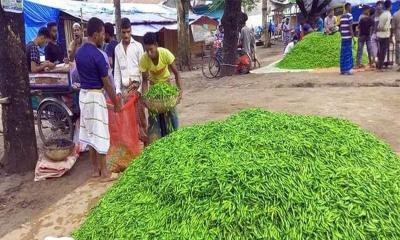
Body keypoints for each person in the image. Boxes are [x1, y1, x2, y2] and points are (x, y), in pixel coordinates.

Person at [75, 17, 121, 180]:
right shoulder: (98, 55)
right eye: (102, 33)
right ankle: (105, 173)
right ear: (95, 35)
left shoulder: (78, 53)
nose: (104, 36)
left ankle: (95, 170)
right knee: (101, 133)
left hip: (84, 96)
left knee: (90, 134)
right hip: (95, 96)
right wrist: (116, 103)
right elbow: (107, 83)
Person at [139, 32, 182, 143]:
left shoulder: (165, 53)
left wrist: (179, 92)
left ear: (156, 45)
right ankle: (156, 142)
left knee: (171, 116)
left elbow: (176, 73)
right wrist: (145, 98)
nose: (149, 53)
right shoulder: (144, 59)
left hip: (166, 88)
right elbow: (144, 81)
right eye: (146, 50)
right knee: (154, 119)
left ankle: (175, 139)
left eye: (151, 49)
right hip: (154, 90)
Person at [114, 18, 148, 144]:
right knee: (128, 121)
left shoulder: (138, 46)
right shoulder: (117, 49)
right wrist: (117, 90)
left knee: (141, 120)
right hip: (124, 91)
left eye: (128, 32)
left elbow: (143, 70)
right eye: (123, 32)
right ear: (120, 32)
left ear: (131, 30)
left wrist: (140, 90)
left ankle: (146, 147)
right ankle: (133, 149)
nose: (126, 35)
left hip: (137, 89)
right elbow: (116, 71)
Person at [376, 0, 392, 71]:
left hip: (380, 35)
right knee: (383, 51)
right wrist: (386, 28)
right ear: (390, 6)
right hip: (385, 35)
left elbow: (378, 26)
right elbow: (384, 27)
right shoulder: (388, 14)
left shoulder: (382, 14)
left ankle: (379, 65)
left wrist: (380, 29)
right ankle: (381, 67)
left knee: (380, 51)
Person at [339, 3, 354, 75]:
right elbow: (350, 27)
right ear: (348, 7)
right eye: (350, 7)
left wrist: (342, 35)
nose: (351, 8)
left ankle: (342, 69)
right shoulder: (350, 16)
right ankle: (347, 70)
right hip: (348, 37)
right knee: (348, 52)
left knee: (343, 53)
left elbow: (341, 27)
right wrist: (353, 36)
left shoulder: (341, 17)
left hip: (343, 37)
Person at [371, 1, 384, 67]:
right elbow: (372, 26)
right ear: (376, 6)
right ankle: (376, 62)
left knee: (380, 50)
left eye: (380, 5)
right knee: (375, 50)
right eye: (378, 5)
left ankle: (379, 64)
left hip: (382, 34)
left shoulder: (384, 14)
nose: (379, 6)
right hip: (375, 34)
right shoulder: (373, 16)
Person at [392, 5, 400, 70]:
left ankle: (399, 63)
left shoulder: (395, 14)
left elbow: (393, 27)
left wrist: (392, 35)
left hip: (398, 33)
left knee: (398, 49)